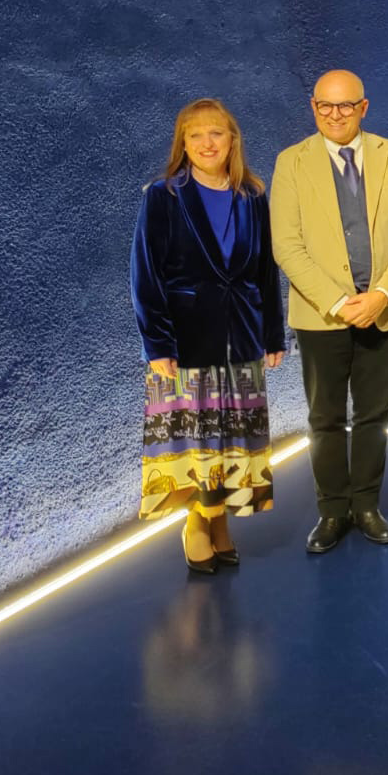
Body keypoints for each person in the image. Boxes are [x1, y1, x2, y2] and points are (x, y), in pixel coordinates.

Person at [131, 98, 286, 574]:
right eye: (194, 135)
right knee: (197, 442)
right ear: (182, 144)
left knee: (230, 439)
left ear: (232, 139)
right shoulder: (163, 196)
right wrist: (157, 344)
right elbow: (145, 274)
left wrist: (272, 333)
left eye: (215, 132)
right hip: (185, 343)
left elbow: (265, 271)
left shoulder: (252, 196)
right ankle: (199, 522)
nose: (206, 143)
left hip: (241, 335)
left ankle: (218, 521)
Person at [271, 70, 388, 555]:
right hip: (322, 316)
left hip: (382, 310)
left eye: (346, 105)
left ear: (364, 107)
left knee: (374, 414)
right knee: (325, 417)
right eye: (325, 106)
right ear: (313, 107)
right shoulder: (291, 162)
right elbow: (287, 245)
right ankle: (333, 510)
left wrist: (381, 295)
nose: (336, 115)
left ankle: (367, 505)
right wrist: (337, 302)